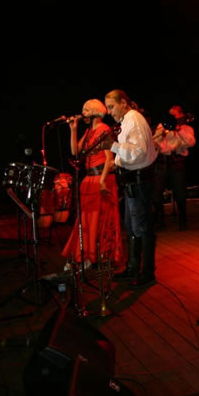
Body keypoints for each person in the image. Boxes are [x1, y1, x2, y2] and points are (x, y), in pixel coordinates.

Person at [105, 89, 158, 288]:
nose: (109, 111)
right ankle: (133, 268)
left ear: (123, 103)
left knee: (141, 226)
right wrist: (118, 161)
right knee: (132, 224)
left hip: (139, 182)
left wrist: (113, 147)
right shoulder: (128, 120)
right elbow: (134, 151)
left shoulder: (133, 120)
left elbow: (138, 152)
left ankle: (147, 273)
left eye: (111, 106)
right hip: (133, 181)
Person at [61, 99, 123, 269]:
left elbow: (109, 159)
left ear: (96, 112)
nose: (83, 114)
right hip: (89, 180)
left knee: (99, 220)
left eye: (86, 110)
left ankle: (95, 255)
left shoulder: (104, 130)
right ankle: (86, 254)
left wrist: (102, 181)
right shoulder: (89, 131)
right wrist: (73, 130)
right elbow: (75, 151)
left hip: (101, 178)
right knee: (86, 220)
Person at [152, 105, 196, 231]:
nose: (171, 117)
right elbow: (154, 142)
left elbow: (191, 143)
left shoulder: (187, 128)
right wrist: (162, 133)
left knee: (180, 192)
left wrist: (179, 130)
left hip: (177, 160)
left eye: (174, 115)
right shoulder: (162, 126)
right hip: (162, 161)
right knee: (157, 192)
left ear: (181, 115)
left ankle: (183, 222)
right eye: (170, 115)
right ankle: (160, 222)